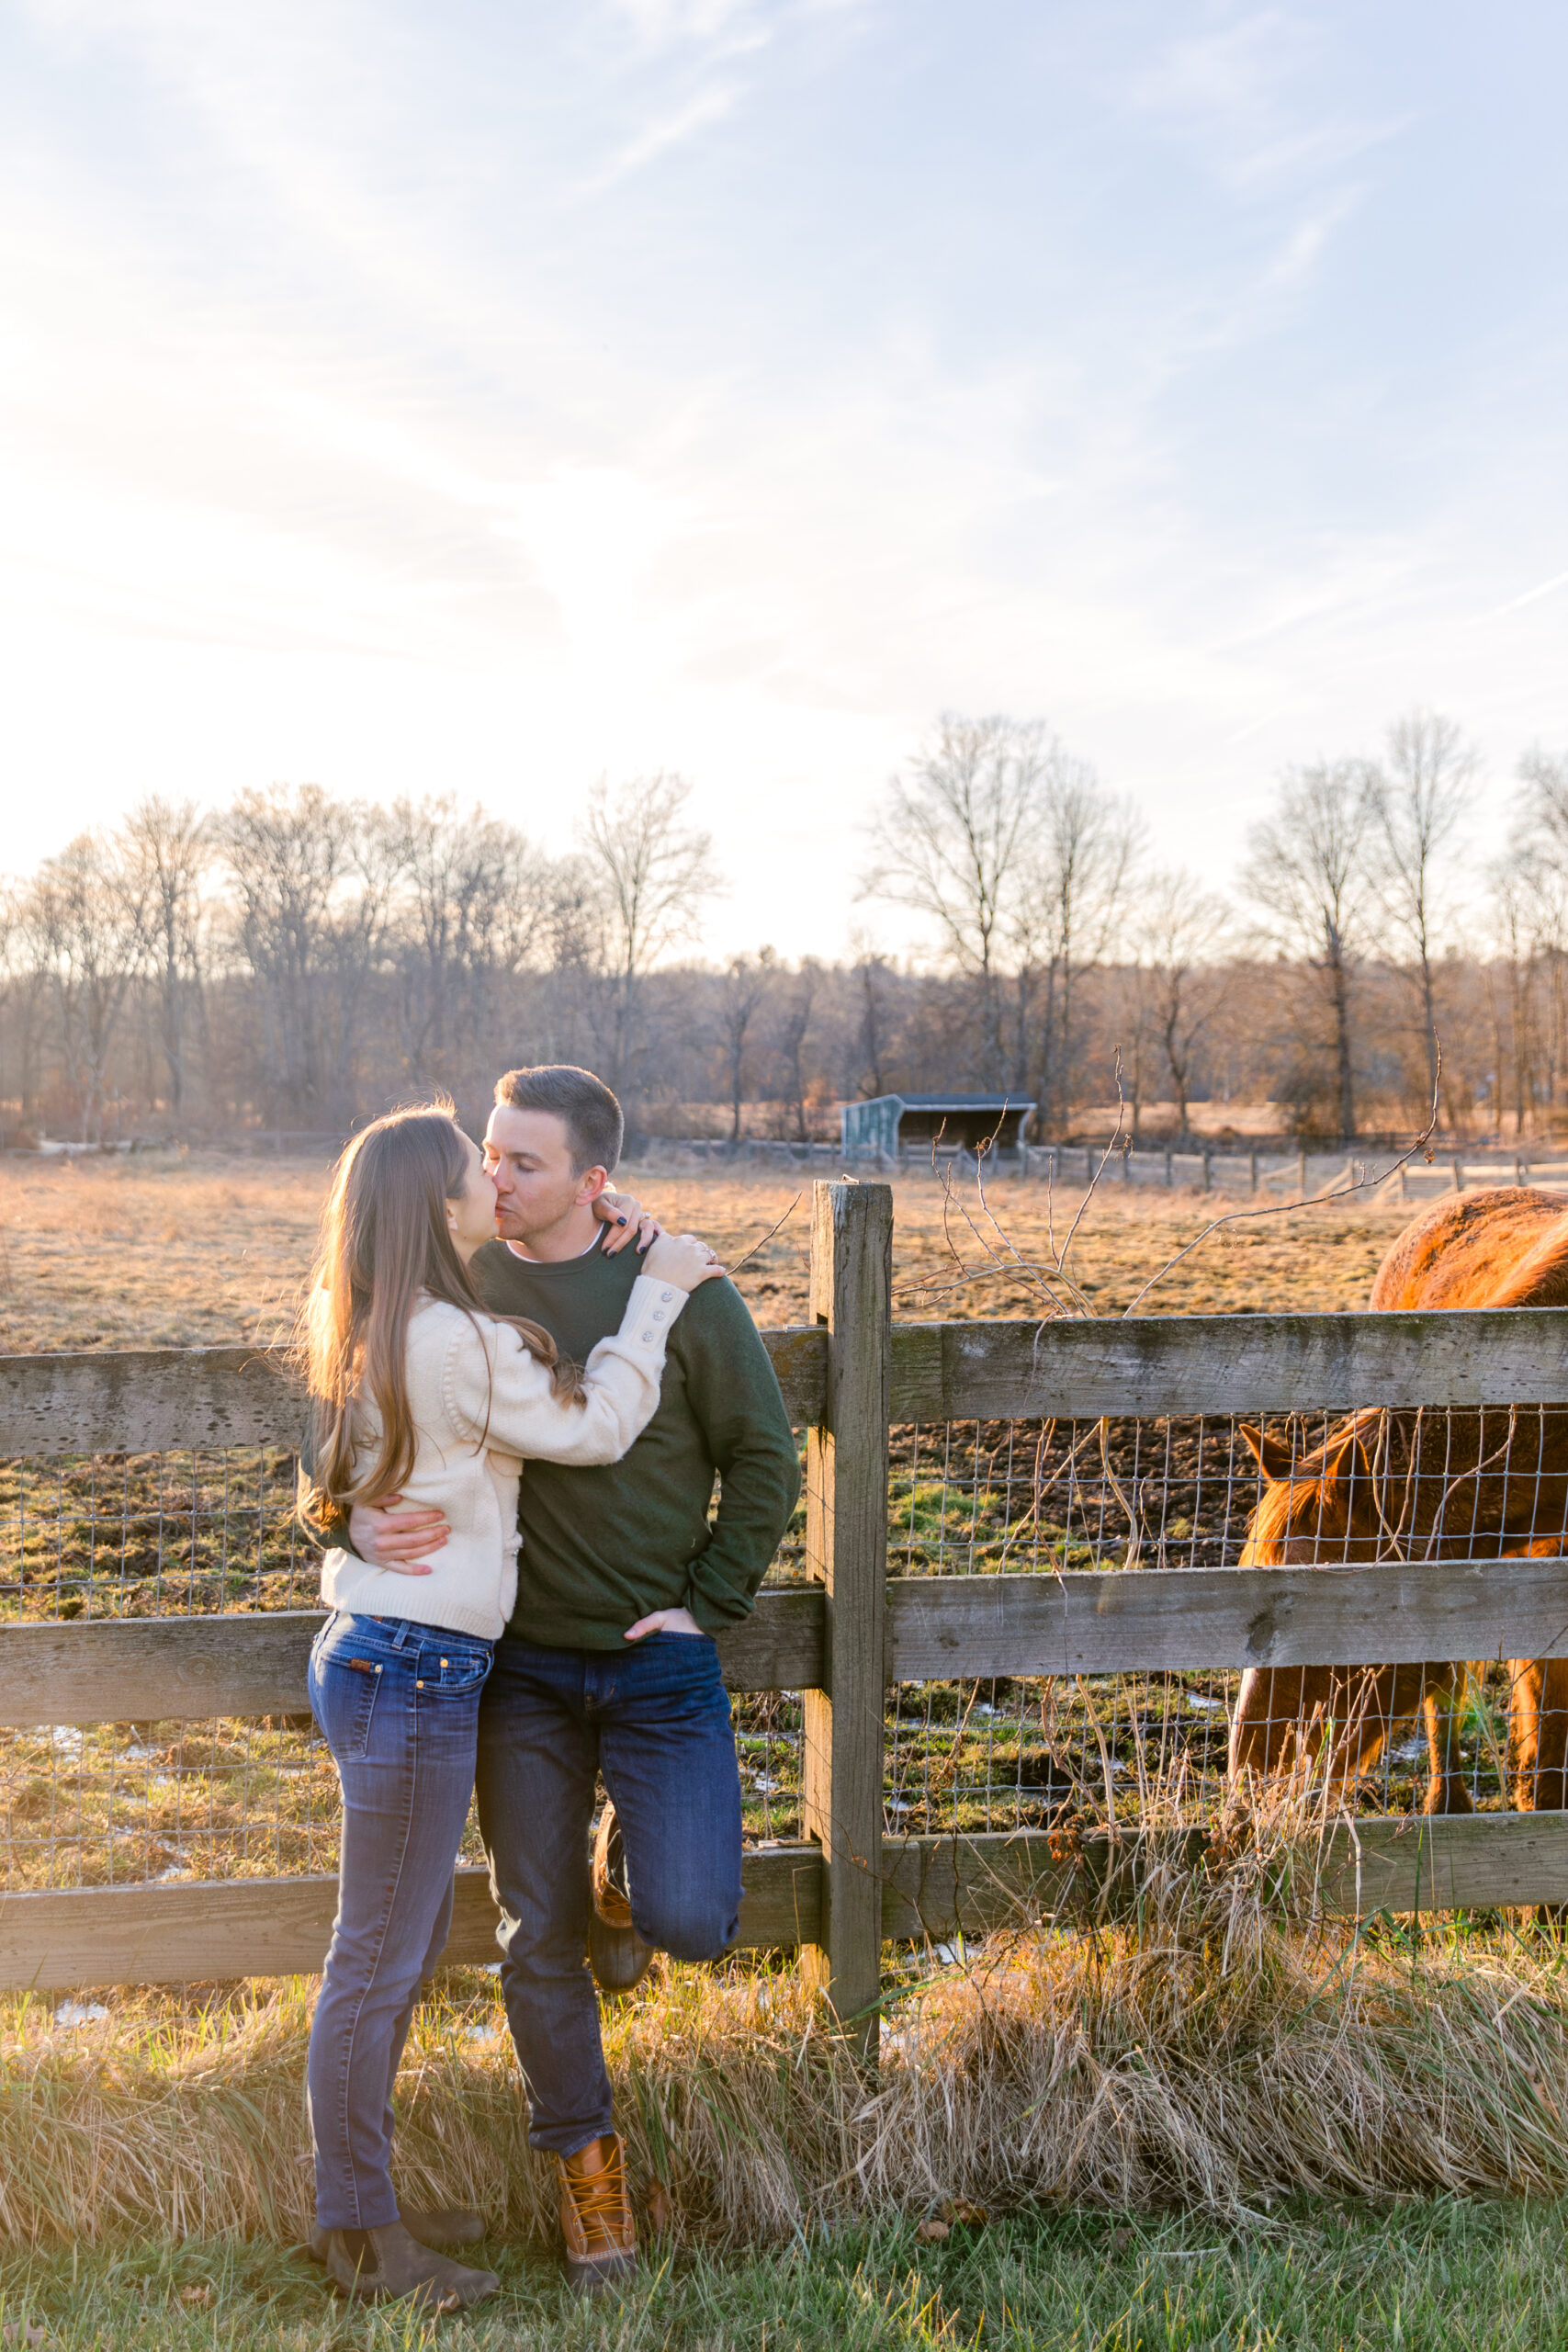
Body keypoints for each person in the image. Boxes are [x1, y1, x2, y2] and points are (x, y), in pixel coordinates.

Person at [347, 1064, 800, 2295]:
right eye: (489, 1155)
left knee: (694, 1921)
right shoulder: (465, 1277)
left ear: (594, 1182)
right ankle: (585, 2173)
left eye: (524, 1162)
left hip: (657, 1668)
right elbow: (353, 1396)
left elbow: (766, 1458)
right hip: (518, 1674)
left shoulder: (681, 1289)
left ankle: (627, 1885)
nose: (493, 1176)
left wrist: (708, 1606)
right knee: (530, 1936)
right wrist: (340, 1517)